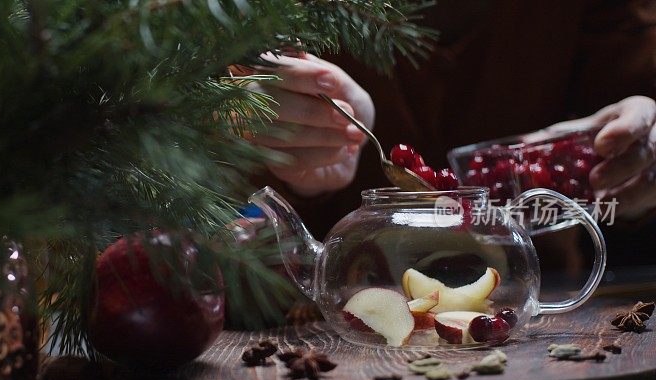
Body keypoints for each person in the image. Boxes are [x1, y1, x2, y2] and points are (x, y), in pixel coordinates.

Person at [249, 1, 656, 279]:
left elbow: (635, 96)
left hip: (540, 297)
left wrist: (641, 152)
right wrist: (291, 174)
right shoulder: (273, 15)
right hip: (340, 312)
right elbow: (215, 214)